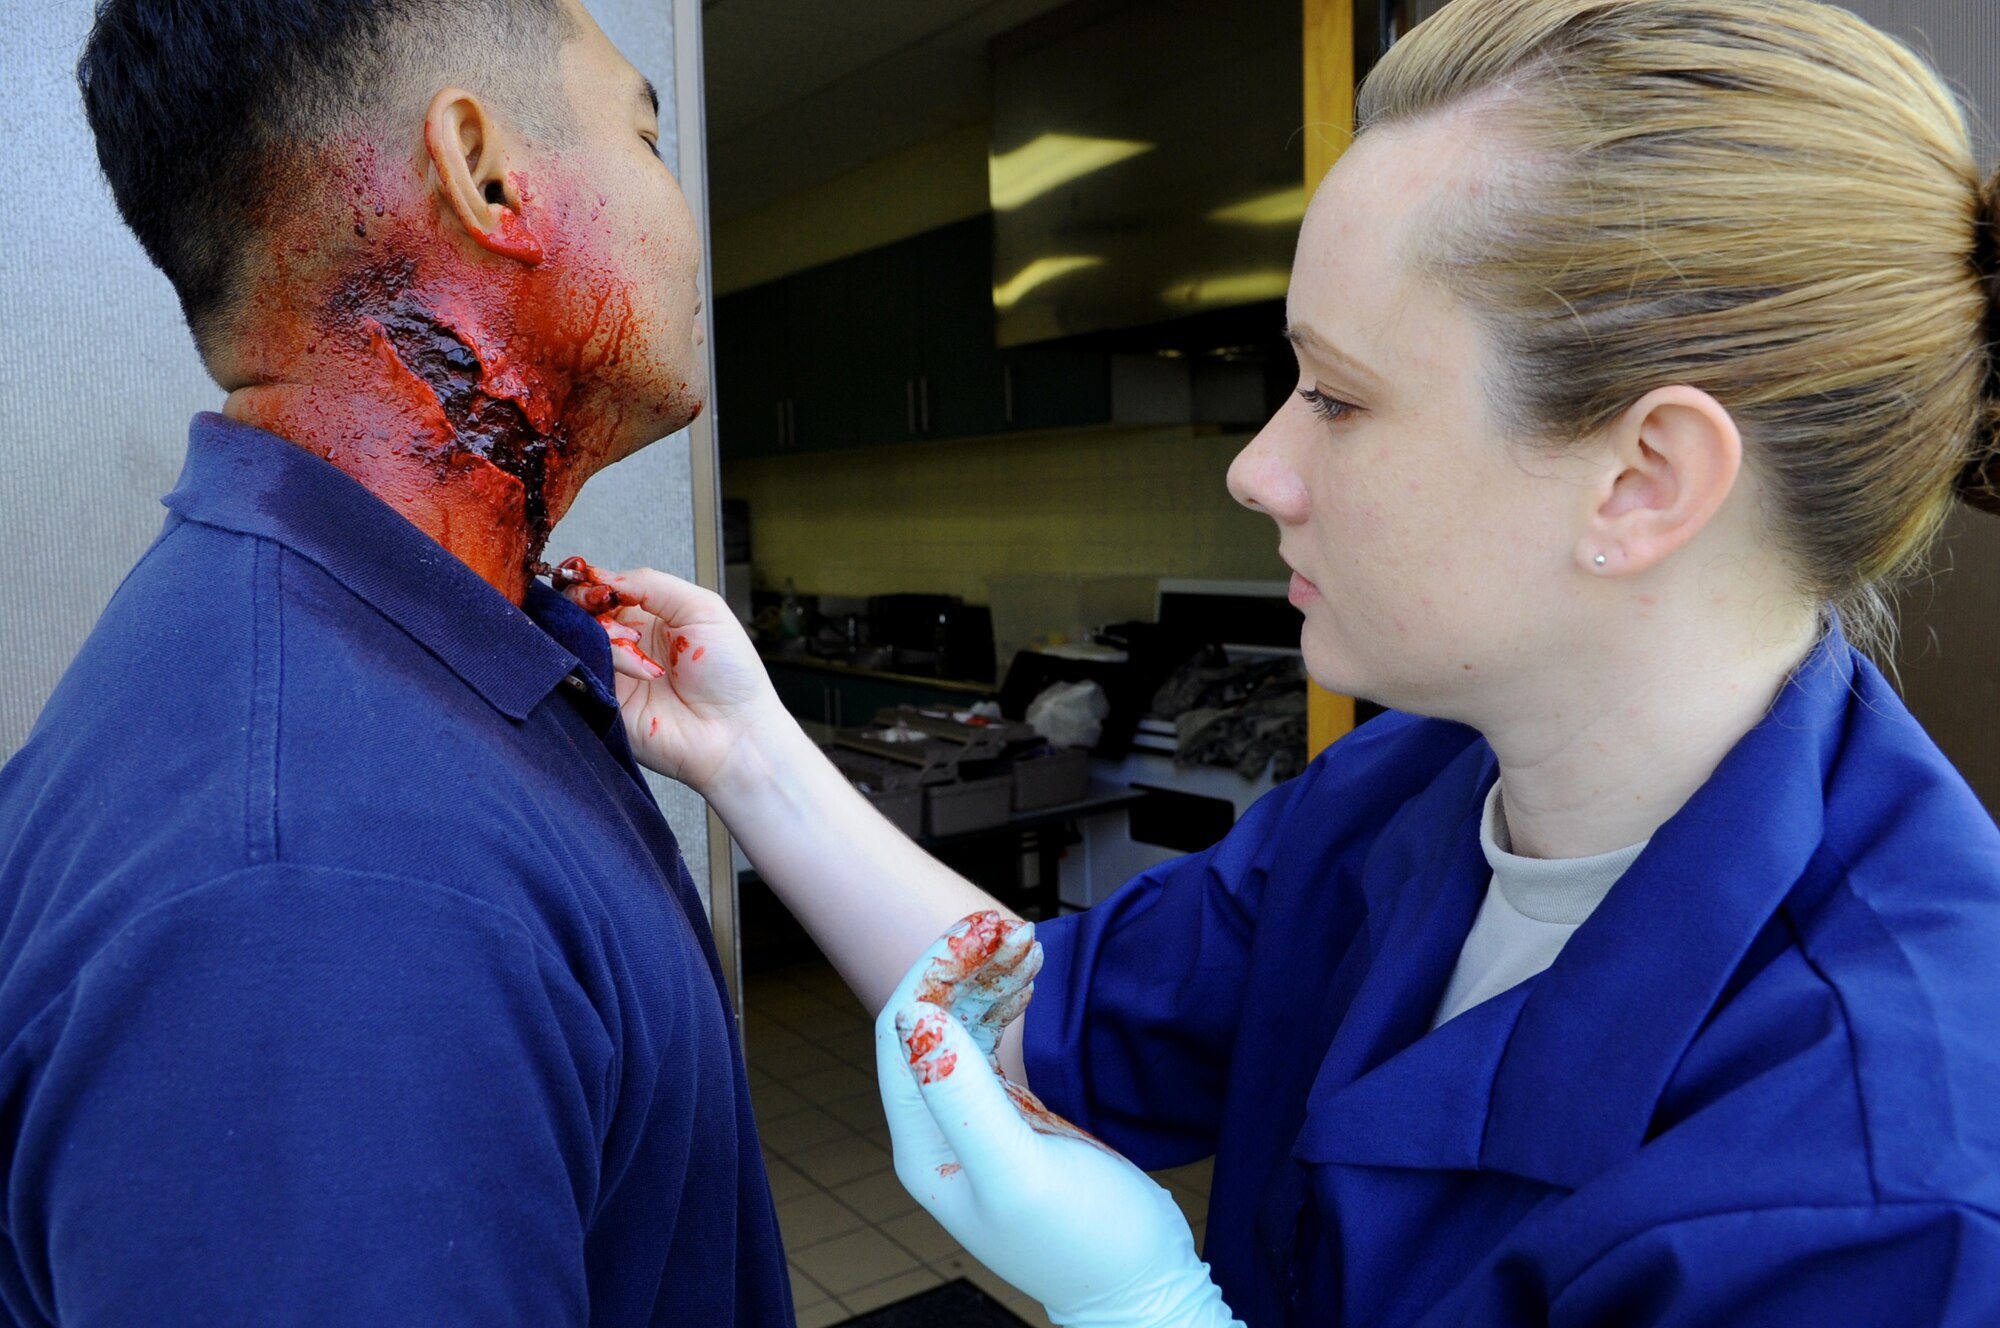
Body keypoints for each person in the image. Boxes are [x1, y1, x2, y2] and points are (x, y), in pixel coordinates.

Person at [569, 0, 2000, 1323]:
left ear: (1642, 479)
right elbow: (1045, 1011)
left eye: (1337, 395)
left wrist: (1153, 1313)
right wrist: (747, 752)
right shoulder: (1410, 786)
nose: (1259, 469)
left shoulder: (1887, 1192)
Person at [0, 1, 789, 1323]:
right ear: (485, 172)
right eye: (646, 136)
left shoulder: (379, 662)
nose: (683, 216)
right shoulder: (318, 894)